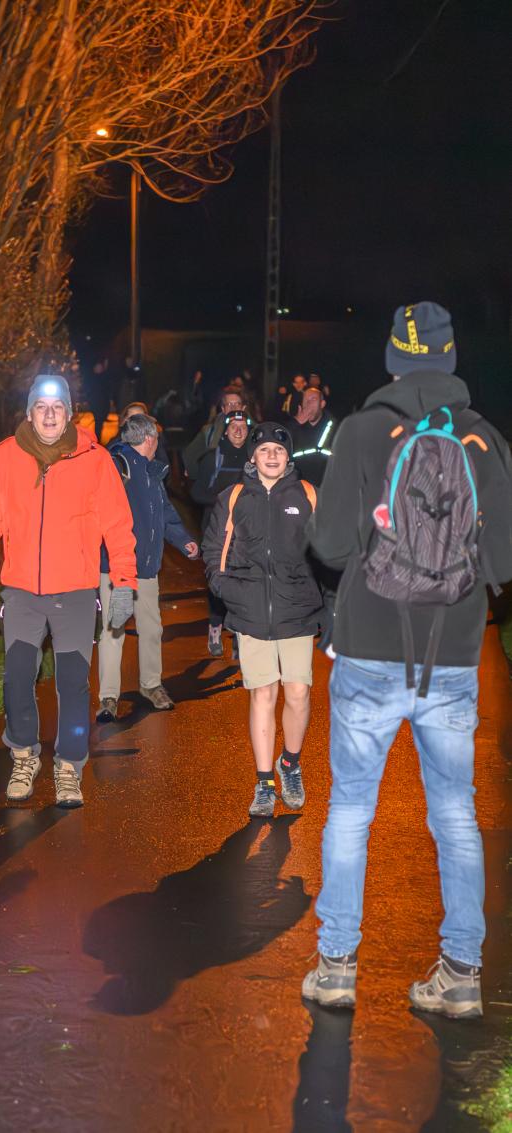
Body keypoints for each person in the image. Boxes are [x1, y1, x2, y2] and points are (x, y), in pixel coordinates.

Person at [302, 302, 512, 1017]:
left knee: (350, 809)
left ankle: (336, 965)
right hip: (450, 656)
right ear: (450, 358)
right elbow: (502, 560)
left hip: (367, 649)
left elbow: (330, 546)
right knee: (455, 814)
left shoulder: (361, 431)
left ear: (393, 357)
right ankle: (461, 972)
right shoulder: (484, 439)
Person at [0, 374, 136, 809]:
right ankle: (24, 755)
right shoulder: (6, 457)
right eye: (41, 407)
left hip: (75, 593)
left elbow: (118, 526)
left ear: (68, 414)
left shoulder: (95, 460)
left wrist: (124, 584)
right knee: (17, 678)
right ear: (29, 413)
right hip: (22, 592)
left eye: (57, 407)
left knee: (73, 683)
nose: (48, 415)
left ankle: (69, 766)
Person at [202, 422, 322, 817]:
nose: (272, 455)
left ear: (289, 457)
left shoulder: (308, 495)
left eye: (279, 450)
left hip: (296, 611)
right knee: (263, 694)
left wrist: (328, 601)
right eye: (265, 449)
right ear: (252, 457)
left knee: (298, 693)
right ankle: (265, 782)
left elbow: (329, 552)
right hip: (250, 612)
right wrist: (227, 589)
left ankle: (290, 763)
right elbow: (214, 548)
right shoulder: (234, 497)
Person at [97, 414, 199, 721]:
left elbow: (164, 511)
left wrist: (183, 540)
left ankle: (151, 685)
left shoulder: (152, 471)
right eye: (158, 440)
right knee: (113, 630)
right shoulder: (117, 466)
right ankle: (108, 697)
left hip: (147, 567)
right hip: (115, 569)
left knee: (151, 629)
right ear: (150, 439)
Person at [192, 409, 253, 656]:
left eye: (243, 427)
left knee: (243, 582)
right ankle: (215, 628)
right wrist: (224, 501)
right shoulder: (212, 458)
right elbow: (196, 491)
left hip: (245, 531)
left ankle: (239, 636)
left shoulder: (254, 458)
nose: (238, 430)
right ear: (225, 431)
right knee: (218, 582)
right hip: (217, 530)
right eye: (234, 426)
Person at [182, 386, 246, 481]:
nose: (233, 408)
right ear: (223, 408)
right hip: (216, 483)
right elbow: (189, 455)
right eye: (229, 404)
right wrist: (200, 476)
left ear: (243, 408)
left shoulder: (255, 431)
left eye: (237, 404)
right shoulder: (209, 431)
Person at [291, 386, 337, 488]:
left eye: (313, 399)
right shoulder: (293, 428)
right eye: (305, 400)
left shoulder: (336, 429)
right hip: (299, 489)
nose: (308, 403)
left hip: (326, 488)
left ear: (322, 404)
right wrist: (295, 424)